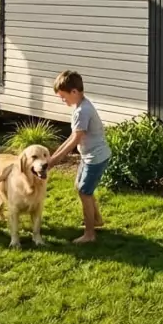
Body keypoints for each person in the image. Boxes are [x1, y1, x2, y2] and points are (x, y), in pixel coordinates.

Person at [48, 70, 112, 244]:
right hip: (89, 156)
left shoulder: (83, 111)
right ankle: (96, 220)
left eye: (63, 96)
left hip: (95, 158)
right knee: (80, 187)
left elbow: (75, 140)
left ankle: (89, 234)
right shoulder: (80, 106)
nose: (62, 100)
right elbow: (72, 136)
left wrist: (53, 162)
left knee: (85, 192)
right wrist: (53, 158)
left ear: (74, 91)